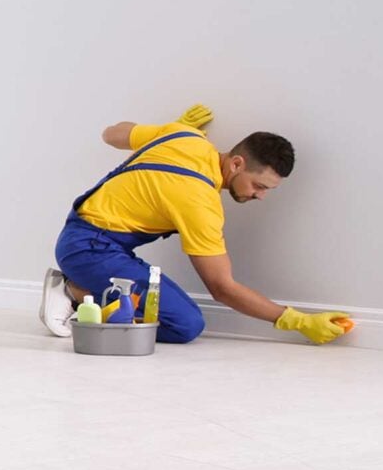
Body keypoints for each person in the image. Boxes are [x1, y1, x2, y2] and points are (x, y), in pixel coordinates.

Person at [39, 104, 350, 345]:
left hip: (90, 237)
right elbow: (222, 288)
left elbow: (111, 133)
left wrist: (168, 130)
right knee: (185, 325)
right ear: (237, 163)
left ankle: (87, 285)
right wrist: (297, 321)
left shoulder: (185, 136)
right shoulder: (200, 203)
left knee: (175, 316)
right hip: (90, 250)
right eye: (259, 185)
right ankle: (75, 291)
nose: (261, 196)